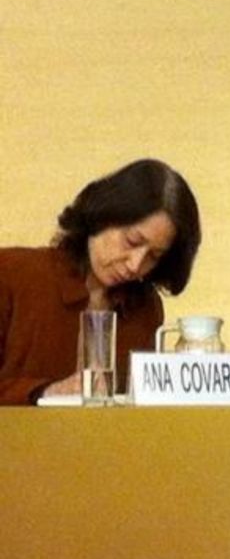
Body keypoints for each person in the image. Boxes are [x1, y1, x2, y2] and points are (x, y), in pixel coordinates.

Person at [0, 159, 201, 405]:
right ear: (103, 216)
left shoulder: (145, 308)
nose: (135, 265)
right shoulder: (10, 273)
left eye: (154, 256)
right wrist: (44, 392)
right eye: (132, 241)